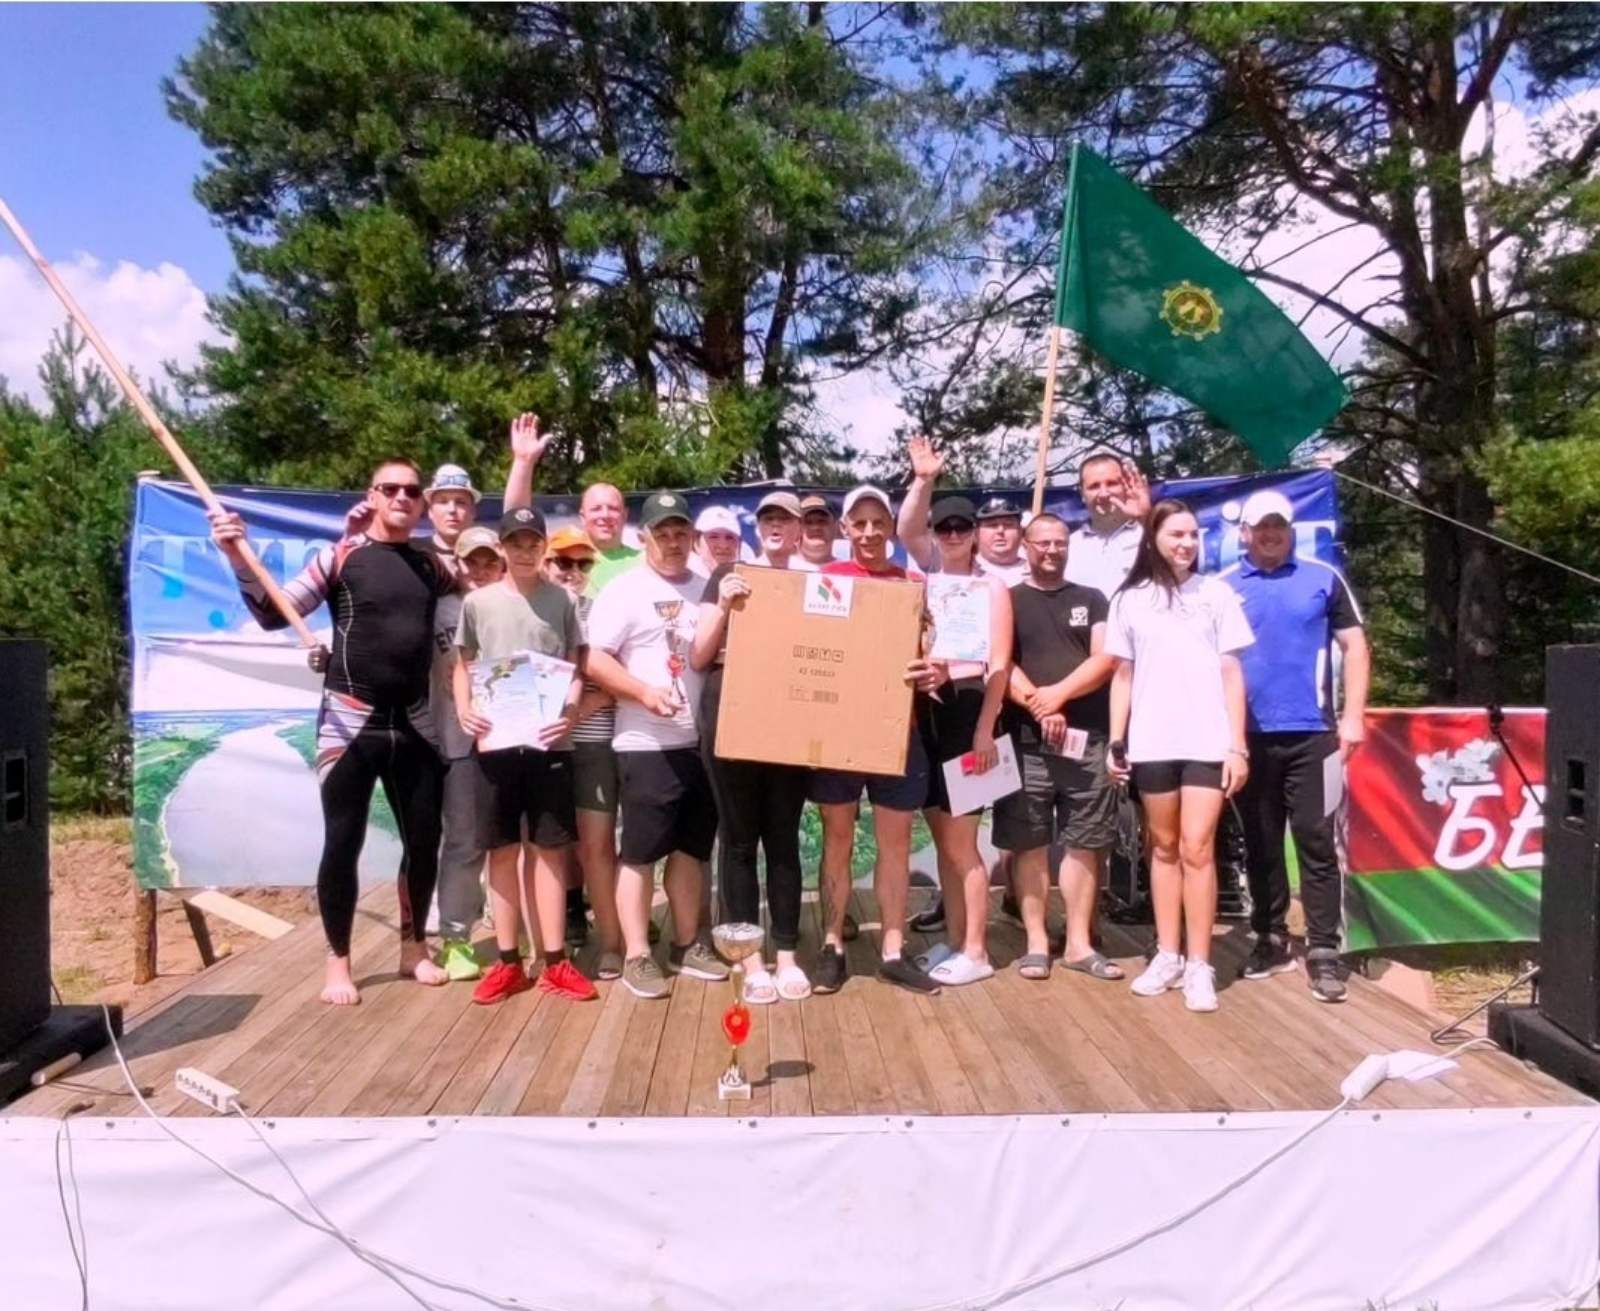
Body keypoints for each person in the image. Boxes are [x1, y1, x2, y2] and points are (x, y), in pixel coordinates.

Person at [208, 458, 456, 1005]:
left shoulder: (432, 565)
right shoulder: (340, 556)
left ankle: (413, 948)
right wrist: (237, 556)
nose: (401, 496)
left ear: (421, 502)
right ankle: (338, 961)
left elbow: (488, 583)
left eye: (411, 490)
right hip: (350, 722)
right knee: (344, 842)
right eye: (390, 488)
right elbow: (273, 612)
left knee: (424, 841)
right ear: (373, 494)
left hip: (414, 722)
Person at [1219, 489, 1370, 1003]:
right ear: (1244, 532)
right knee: (1261, 842)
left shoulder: (1323, 578)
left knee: (1315, 838)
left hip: (1315, 736)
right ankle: (1269, 936)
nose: (1270, 534)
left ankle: (1324, 948)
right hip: (1249, 739)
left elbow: (1355, 647)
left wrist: (1353, 716)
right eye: (1260, 526)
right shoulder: (1223, 587)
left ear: (1290, 529)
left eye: (1278, 525)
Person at [1106, 500, 1254, 1014]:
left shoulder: (1216, 594)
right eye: (1176, 534)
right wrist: (1116, 740)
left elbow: (1231, 673)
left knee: (1198, 847)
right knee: (1163, 847)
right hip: (1152, 743)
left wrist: (1237, 745)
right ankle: (1167, 954)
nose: (1187, 543)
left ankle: (1199, 964)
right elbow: (1122, 675)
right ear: (1153, 539)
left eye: (1193, 535)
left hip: (1207, 742)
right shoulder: (1129, 600)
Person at [585, 491, 730, 999]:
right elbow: (594, 659)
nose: (672, 542)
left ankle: (686, 944)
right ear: (643, 537)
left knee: (691, 850)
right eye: (662, 533)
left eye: (679, 533)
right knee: (640, 853)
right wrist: (643, 692)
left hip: (701, 743)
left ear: (692, 537)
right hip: (645, 741)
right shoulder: (623, 590)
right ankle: (637, 954)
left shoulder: (709, 586)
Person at [453, 507, 595, 1005]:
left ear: (543, 547)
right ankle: (509, 961)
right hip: (494, 744)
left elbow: (575, 668)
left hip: (548, 743)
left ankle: (555, 961)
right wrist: (464, 709)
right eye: (516, 542)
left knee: (551, 850)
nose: (525, 551)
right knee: (502, 851)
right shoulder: (478, 602)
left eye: (533, 543)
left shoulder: (563, 600)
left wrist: (570, 711)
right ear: (502, 547)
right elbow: (463, 666)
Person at [810, 485, 946, 995]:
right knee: (837, 839)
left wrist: (935, 669)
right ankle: (832, 943)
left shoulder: (914, 583)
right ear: (844, 528)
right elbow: (808, 649)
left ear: (891, 527)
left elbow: (935, 651)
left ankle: (892, 949)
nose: (869, 533)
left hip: (898, 733)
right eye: (859, 523)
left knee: (895, 844)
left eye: (878, 522)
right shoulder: (827, 580)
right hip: (839, 734)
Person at [690, 490, 812, 1001]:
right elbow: (698, 656)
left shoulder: (813, 584)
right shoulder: (727, 574)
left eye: (787, 518)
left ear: (801, 529)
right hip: (732, 717)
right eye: (768, 518)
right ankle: (750, 959)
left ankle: (787, 955)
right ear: (758, 528)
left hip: (791, 720)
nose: (777, 525)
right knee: (739, 841)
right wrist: (723, 605)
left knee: (783, 840)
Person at [995, 513, 1122, 981]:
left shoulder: (1092, 598)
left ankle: (1078, 944)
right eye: (1043, 543)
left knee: (1085, 843)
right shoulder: (1007, 600)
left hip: (1086, 741)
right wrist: (1038, 704)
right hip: (1025, 742)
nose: (1052, 550)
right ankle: (1036, 942)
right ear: (1025, 547)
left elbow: (1105, 659)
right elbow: (999, 662)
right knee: (1028, 843)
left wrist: (1058, 696)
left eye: (1060, 543)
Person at [907, 494, 1013, 987]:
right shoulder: (922, 582)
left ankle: (977, 950)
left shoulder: (993, 587)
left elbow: (1000, 665)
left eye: (961, 527)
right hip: (928, 710)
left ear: (975, 534)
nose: (952, 535)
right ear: (933, 532)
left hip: (970, 712)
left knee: (962, 844)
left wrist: (985, 729)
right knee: (944, 842)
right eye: (944, 527)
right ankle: (954, 939)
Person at [542, 524, 628, 980]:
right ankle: (547, 951)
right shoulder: (532, 612)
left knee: (597, 847)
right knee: (547, 849)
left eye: (583, 562)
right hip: (541, 747)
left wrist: (583, 709)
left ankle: (613, 943)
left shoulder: (603, 613)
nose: (572, 571)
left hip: (594, 744)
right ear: (545, 563)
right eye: (562, 561)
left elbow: (624, 679)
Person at [431, 524, 504, 981]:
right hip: (458, 741)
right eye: (470, 561)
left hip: (513, 739)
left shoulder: (515, 603)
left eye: (488, 561)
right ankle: (456, 937)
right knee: (464, 842)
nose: (479, 569)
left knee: (516, 843)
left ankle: (518, 930)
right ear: (456, 564)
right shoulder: (437, 609)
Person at [897, 436, 1029, 586]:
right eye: (992, 525)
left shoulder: (1039, 567)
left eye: (1009, 524)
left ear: (1022, 532)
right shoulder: (948, 562)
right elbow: (910, 533)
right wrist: (924, 480)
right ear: (977, 532)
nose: (1000, 531)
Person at [1065, 452, 1152, 601]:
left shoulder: (1150, 538)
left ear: (1126, 486)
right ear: (1082, 493)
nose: (1104, 494)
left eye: (1112, 483)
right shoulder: (1067, 546)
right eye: (1094, 486)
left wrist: (1146, 518)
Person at [692, 505, 743, 577]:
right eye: (713, 537)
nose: (723, 545)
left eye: (730, 537)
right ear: (697, 544)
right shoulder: (680, 582)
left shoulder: (752, 580)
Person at [794, 493, 840, 571]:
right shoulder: (780, 568)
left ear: (835, 526)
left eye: (822, 521)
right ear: (797, 528)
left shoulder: (849, 573)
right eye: (808, 522)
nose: (815, 527)